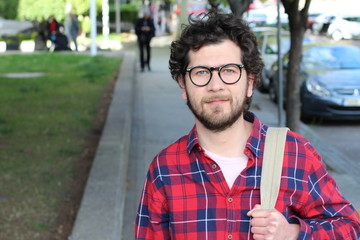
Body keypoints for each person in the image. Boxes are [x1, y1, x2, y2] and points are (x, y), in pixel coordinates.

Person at [135, 11, 360, 239]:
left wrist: (292, 233)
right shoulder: (164, 169)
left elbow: (349, 228)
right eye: (201, 72)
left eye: (229, 71)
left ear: (250, 82)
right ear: (183, 85)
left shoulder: (295, 154)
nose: (216, 85)